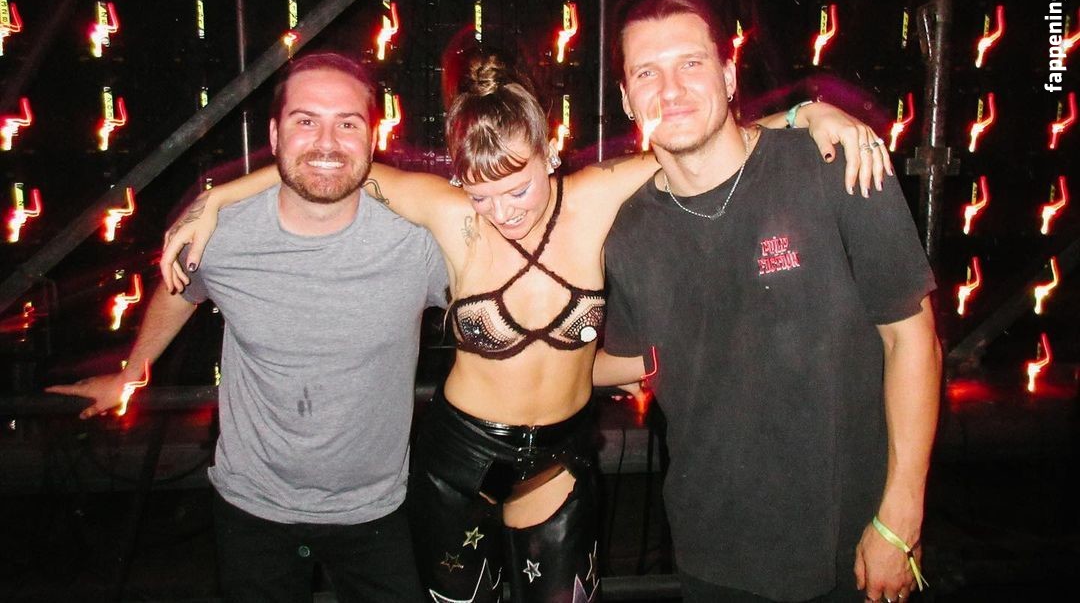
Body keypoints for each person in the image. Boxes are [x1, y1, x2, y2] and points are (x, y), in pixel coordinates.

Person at [159, 46, 891, 602]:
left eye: (517, 187)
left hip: (560, 455)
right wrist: (218, 197)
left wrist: (804, 114)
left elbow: (707, 147)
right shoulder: (453, 216)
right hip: (460, 459)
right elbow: (335, 164)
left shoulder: (596, 196)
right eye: (482, 193)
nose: (502, 211)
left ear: (550, 153)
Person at [47, 52, 449, 603]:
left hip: (375, 509)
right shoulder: (223, 232)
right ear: (275, 134)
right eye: (306, 121)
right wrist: (130, 374)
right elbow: (179, 291)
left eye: (348, 124)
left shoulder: (418, 241)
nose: (327, 143)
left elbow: (494, 299)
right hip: (253, 507)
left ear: (374, 137)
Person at [594, 0, 942, 603]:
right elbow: (629, 359)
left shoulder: (835, 165)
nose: (670, 90)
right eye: (646, 73)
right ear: (625, 98)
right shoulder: (627, 231)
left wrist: (900, 517)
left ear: (729, 76)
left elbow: (912, 340)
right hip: (713, 554)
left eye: (691, 64)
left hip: (853, 545)